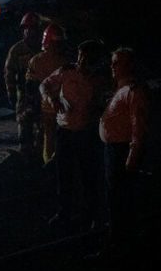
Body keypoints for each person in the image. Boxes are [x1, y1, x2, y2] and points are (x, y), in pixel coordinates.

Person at [40, 39, 110, 231]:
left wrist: (98, 110)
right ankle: (64, 212)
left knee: (88, 175)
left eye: (86, 58)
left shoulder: (98, 79)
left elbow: (104, 102)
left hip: (86, 132)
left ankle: (91, 213)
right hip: (65, 132)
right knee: (64, 174)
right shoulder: (67, 71)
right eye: (80, 56)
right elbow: (44, 85)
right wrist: (52, 98)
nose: (82, 61)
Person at [96, 47, 149, 256]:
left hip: (121, 152)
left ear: (128, 65)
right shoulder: (123, 88)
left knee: (120, 201)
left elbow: (139, 127)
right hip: (114, 150)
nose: (112, 67)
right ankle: (121, 239)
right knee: (116, 199)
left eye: (117, 62)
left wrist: (132, 158)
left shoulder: (134, 91)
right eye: (113, 62)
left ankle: (120, 243)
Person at [26, 23, 69, 165]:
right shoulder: (67, 61)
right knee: (64, 139)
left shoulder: (36, 60)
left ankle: (48, 165)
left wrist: (32, 107)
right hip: (65, 108)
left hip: (46, 108)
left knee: (48, 138)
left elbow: (30, 86)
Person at [4, 12, 44, 156]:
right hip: (24, 95)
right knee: (25, 126)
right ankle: (26, 154)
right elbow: (9, 73)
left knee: (43, 127)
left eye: (32, 28)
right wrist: (12, 94)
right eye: (26, 28)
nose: (28, 31)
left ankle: (41, 155)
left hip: (43, 94)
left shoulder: (45, 47)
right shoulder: (17, 50)